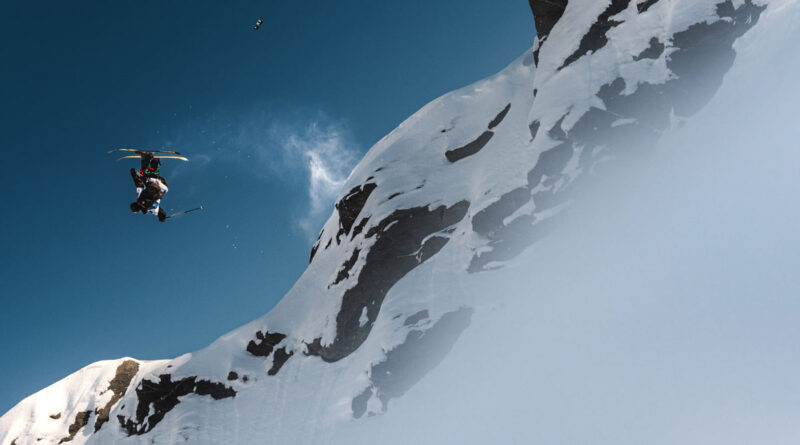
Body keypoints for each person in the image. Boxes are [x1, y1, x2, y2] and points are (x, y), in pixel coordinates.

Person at [129, 153, 168, 222]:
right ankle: (147, 158)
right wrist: (133, 174)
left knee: (151, 175)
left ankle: (155, 162)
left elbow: (161, 213)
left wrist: (162, 217)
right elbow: (139, 184)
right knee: (144, 173)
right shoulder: (140, 199)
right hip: (155, 184)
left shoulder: (151, 210)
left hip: (163, 187)